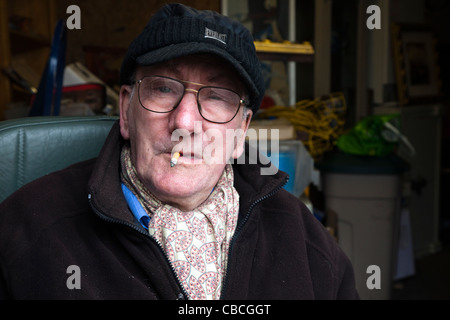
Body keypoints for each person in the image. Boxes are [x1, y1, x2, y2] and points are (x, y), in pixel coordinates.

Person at [0, 3, 358, 300]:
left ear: (241, 131)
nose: (185, 121)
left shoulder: (303, 237)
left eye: (217, 97)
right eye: (162, 89)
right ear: (126, 111)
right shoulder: (27, 228)